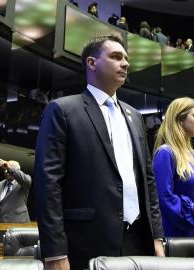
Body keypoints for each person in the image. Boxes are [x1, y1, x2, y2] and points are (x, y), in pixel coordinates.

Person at [35, 34, 164, 270]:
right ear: (92, 63)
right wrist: (55, 252)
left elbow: (148, 180)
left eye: (126, 58)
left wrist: (156, 236)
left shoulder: (135, 116)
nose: (125, 63)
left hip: (138, 239)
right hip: (85, 241)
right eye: (116, 57)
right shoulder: (63, 110)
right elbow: (48, 183)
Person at [153, 97, 194, 237]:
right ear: (179, 119)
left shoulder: (191, 154)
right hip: (178, 234)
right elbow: (164, 197)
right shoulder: (165, 153)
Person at [0, 158, 31, 223]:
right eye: (5, 169)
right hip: (0, 224)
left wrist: (9, 168)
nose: (6, 171)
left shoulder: (23, 183)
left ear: (18, 170)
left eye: (8, 168)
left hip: (19, 224)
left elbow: (27, 180)